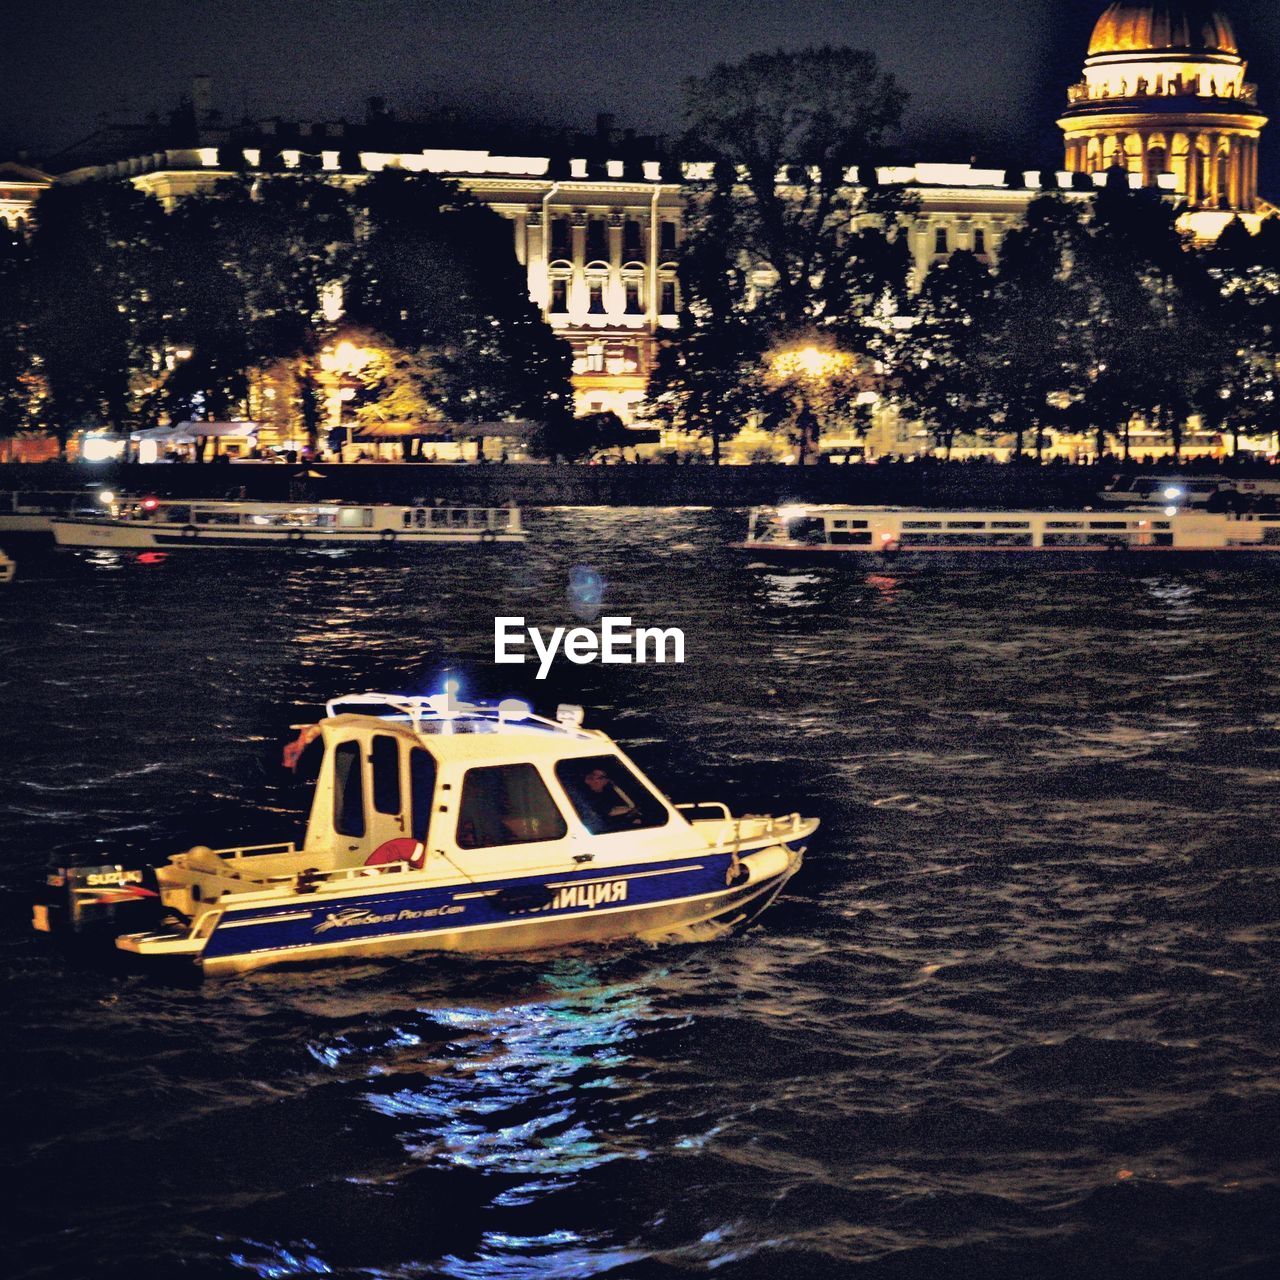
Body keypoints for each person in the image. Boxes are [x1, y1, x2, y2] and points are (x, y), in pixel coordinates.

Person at [577, 765, 641, 832]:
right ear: (586, 780)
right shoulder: (583, 795)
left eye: (601, 778)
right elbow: (605, 812)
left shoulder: (609, 793)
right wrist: (630, 810)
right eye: (591, 777)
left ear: (606, 781)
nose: (596, 780)